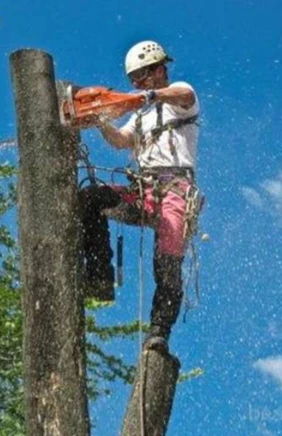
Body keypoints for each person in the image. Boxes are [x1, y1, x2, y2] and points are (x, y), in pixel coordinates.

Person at [80, 40, 201, 353]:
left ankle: (159, 331)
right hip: (142, 191)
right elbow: (122, 141)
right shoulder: (140, 116)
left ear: (160, 69)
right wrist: (100, 120)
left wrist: (149, 95)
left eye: (142, 76)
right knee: (90, 198)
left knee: (167, 260)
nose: (137, 84)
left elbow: (185, 96)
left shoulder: (179, 94)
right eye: (133, 80)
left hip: (175, 190)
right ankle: (98, 276)